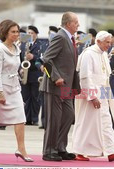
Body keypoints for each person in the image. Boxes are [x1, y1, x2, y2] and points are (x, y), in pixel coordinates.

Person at [0, 19, 33, 162]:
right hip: (0, 89)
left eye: (17, 31)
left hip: (14, 88)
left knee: (20, 117)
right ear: (5, 33)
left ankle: (21, 149)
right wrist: (0, 92)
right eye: (13, 32)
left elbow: (16, 67)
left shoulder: (17, 48)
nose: (17, 34)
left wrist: (21, 73)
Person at [72, 31, 114, 162]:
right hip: (90, 93)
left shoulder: (103, 54)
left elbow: (105, 76)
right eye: (107, 42)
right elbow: (85, 77)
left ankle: (112, 151)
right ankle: (79, 151)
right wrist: (92, 97)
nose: (109, 45)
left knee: (106, 121)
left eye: (110, 42)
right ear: (98, 41)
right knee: (87, 123)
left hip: (103, 91)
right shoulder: (88, 54)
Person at [40, 12, 80, 161]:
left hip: (67, 86)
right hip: (56, 86)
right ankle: (49, 151)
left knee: (69, 115)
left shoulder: (69, 39)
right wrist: (56, 77)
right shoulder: (60, 37)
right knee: (54, 119)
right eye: (76, 22)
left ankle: (60, 147)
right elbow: (46, 59)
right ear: (68, 23)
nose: (78, 25)